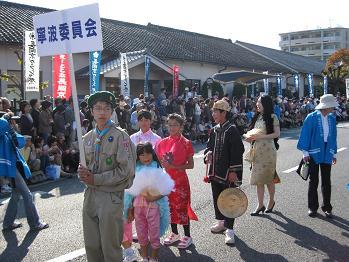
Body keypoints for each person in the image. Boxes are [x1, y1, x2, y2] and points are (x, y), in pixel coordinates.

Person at [78, 91, 136, 262]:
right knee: (92, 245)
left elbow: (126, 172)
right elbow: (85, 167)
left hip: (110, 197)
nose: (102, 112)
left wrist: (95, 179)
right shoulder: (87, 138)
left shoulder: (120, 136)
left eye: (106, 108)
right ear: (92, 111)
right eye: (98, 108)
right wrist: (81, 173)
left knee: (110, 246)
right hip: (90, 196)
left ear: (112, 112)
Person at [122, 109, 161, 262]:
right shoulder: (132, 137)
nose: (144, 122)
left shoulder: (157, 138)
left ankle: (153, 251)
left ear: (151, 121)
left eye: (147, 120)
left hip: (152, 183)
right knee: (136, 213)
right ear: (137, 121)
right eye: (141, 120)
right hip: (135, 179)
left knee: (153, 218)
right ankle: (144, 248)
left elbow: (158, 162)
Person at [204, 99, 245, 245]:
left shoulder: (232, 130)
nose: (213, 113)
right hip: (215, 171)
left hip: (228, 172)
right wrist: (208, 153)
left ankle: (230, 229)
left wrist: (234, 171)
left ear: (224, 113)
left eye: (216, 111)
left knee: (229, 200)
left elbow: (238, 151)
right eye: (213, 111)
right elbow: (209, 146)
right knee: (217, 198)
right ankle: (221, 222)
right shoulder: (215, 129)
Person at [124, 143, 173, 262]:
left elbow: (167, 189)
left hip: (153, 207)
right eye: (142, 154)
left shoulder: (157, 168)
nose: (146, 157)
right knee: (141, 233)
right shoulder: (134, 170)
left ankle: (154, 257)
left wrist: (154, 198)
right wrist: (129, 209)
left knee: (154, 233)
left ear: (153, 154)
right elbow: (129, 193)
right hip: (138, 208)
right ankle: (144, 257)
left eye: (148, 153)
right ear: (137, 157)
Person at [0, 112, 48, 231]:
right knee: (27, 194)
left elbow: (20, 143)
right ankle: (35, 223)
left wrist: (12, 128)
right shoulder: (2, 129)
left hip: (14, 166)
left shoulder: (7, 130)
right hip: (8, 166)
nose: (13, 121)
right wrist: (5, 119)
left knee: (16, 194)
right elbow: (1, 125)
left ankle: (7, 223)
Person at [156, 113, 197, 249]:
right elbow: (159, 162)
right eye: (170, 125)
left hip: (180, 180)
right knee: (170, 207)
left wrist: (175, 167)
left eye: (176, 125)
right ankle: (174, 233)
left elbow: (191, 165)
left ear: (181, 126)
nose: (172, 127)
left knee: (182, 207)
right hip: (167, 180)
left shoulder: (186, 143)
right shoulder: (162, 142)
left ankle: (187, 235)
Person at [297, 94, 338, 218]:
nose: (333, 109)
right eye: (332, 106)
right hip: (313, 152)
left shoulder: (331, 118)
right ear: (327, 106)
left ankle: (327, 207)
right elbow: (305, 135)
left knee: (327, 181)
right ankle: (312, 207)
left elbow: (333, 136)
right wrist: (305, 153)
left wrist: (334, 153)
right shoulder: (311, 117)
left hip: (327, 151)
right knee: (313, 180)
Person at [245, 95, 280, 216]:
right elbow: (253, 134)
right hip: (257, 151)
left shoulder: (273, 117)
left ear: (266, 104)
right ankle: (260, 204)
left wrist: (260, 137)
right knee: (258, 179)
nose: (257, 104)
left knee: (268, 178)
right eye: (257, 102)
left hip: (269, 151)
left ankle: (271, 201)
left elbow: (276, 134)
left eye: (259, 102)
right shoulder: (257, 117)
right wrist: (250, 138)